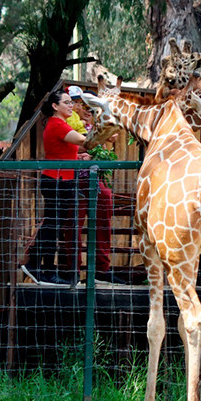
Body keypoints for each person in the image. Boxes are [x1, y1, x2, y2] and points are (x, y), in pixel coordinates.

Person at [57, 86, 122, 284]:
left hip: (95, 178)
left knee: (104, 215)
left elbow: (109, 137)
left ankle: (101, 269)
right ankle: (73, 271)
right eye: (79, 103)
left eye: (87, 105)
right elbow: (66, 149)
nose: (84, 108)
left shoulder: (91, 125)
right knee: (73, 225)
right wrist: (83, 153)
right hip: (75, 179)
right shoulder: (65, 123)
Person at [21, 90, 86, 285]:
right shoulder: (57, 124)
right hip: (57, 180)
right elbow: (84, 140)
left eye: (71, 102)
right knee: (52, 225)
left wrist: (78, 156)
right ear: (55, 106)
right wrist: (103, 133)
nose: (71, 105)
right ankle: (44, 268)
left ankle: (41, 266)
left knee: (53, 225)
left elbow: (68, 149)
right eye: (66, 102)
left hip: (61, 179)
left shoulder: (61, 125)